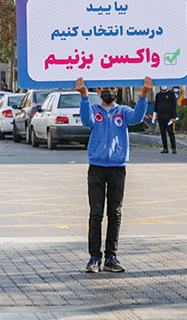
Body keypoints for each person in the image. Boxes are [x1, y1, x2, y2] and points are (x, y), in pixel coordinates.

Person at [76, 76, 152, 273]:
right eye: (105, 88)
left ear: (117, 90)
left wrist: (143, 95)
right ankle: (94, 257)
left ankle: (111, 256)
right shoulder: (93, 110)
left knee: (115, 213)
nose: (109, 91)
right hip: (96, 167)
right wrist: (84, 96)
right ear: (99, 91)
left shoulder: (123, 112)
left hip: (118, 167)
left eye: (112, 87)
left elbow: (137, 118)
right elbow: (87, 121)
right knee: (95, 213)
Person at [154, 86, 178, 154]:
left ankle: (173, 148)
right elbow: (156, 106)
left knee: (170, 132)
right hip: (160, 116)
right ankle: (165, 148)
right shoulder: (158, 95)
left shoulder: (171, 94)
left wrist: (173, 117)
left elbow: (174, 106)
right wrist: (154, 117)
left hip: (169, 117)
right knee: (163, 133)